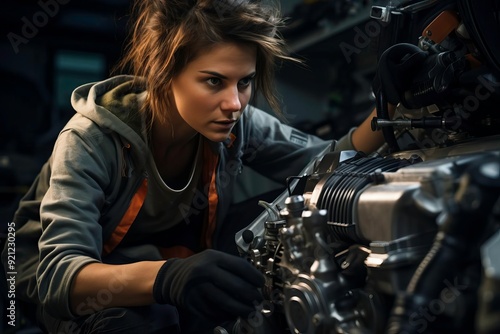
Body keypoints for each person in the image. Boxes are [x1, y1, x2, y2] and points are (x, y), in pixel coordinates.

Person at [2, 0, 388, 333]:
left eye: (245, 82)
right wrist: (166, 276)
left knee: (298, 205)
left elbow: (330, 164)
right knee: (141, 322)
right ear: (163, 73)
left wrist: (389, 109)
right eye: (213, 82)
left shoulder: (237, 123)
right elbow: (59, 276)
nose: (235, 103)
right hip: (62, 286)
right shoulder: (89, 140)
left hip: (169, 266)